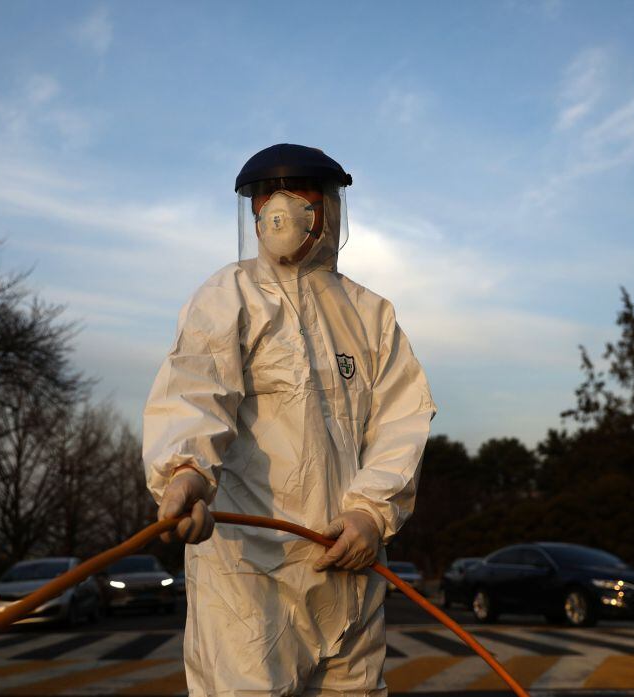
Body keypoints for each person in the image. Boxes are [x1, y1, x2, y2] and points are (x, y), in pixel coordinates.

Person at [143, 144, 435, 696]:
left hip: (349, 574)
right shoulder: (226, 295)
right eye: (266, 195)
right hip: (248, 582)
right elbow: (195, 388)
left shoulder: (370, 315)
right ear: (252, 212)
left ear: (328, 207)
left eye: (298, 193)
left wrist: (372, 515)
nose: (280, 206)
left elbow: (402, 422)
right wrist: (185, 470)